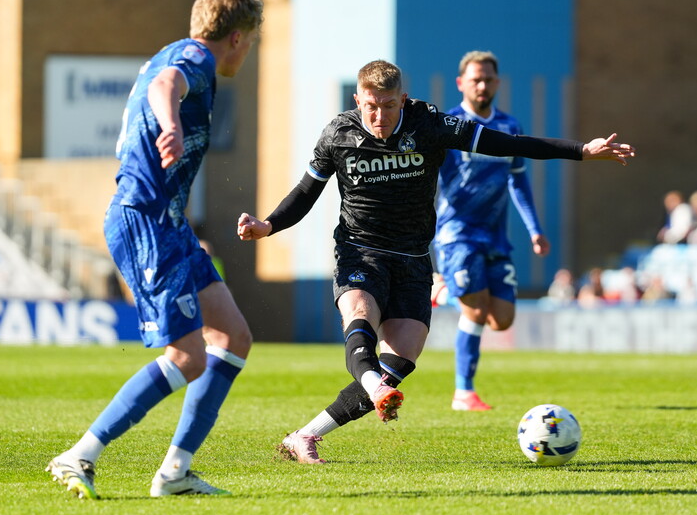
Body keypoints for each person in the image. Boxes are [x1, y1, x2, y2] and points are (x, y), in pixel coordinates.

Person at [237, 60, 634, 464]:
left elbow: (507, 144)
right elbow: (306, 192)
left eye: (389, 106)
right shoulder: (338, 134)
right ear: (358, 100)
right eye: (371, 106)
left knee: (401, 358)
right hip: (360, 250)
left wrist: (581, 151)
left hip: (413, 258)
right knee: (360, 315)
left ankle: (305, 435)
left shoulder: (428, 124)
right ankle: (375, 390)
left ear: (403, 100)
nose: (380, 116)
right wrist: (267, 225)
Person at [46, 0, 263, 499]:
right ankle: (80, 455)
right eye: (251, 41)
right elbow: (166, 85)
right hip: (144, 219)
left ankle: (175, 473)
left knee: (232, 336)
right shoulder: (193, 57)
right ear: (236, 37)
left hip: (169, 221)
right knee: (188, 355)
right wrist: (170, 125)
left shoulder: (178, 51)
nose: (248, 52)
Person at [431, 51, 551, 412]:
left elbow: (518, 180)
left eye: (488, 79)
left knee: (502, 318)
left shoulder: (509, 127)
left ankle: (446, 293)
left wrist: (534, 229)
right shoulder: (448, 125)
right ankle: (463, 392)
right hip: (457, 232)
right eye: (475, 79)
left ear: (497, 83)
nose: (482, 85)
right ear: (461, 83)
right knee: (476, 311)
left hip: (496, 235)